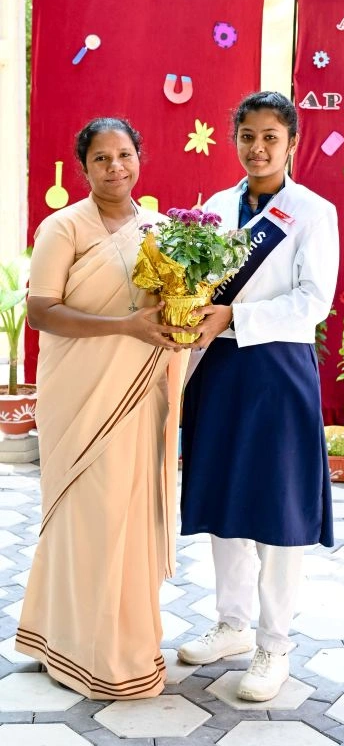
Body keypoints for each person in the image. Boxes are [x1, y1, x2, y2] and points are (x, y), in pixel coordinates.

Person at [15, 117, 187, 699]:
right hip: (79, 393)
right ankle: (75, 647)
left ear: (140, 157)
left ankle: (116, 644)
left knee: (130, 516)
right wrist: (125, 326)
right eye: (101, 159)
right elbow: (41, 311)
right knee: (86, 515)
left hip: (140, 393)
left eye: (124, 155)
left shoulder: (162, 230)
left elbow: (171, 307)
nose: (116, 167)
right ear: (83, 167)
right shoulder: (63, 226)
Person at [177, 91, 339, 702]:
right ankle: (232, 624)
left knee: (279, 505)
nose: (258, 148)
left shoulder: (312, 212)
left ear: (292, 142)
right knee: (225, 496)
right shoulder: (215, 208)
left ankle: (275, 644)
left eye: (271, 137)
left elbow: (313, 300)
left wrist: (235, 319)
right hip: (219, 369)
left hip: (277, 371)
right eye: (248, 136)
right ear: (235, 139)